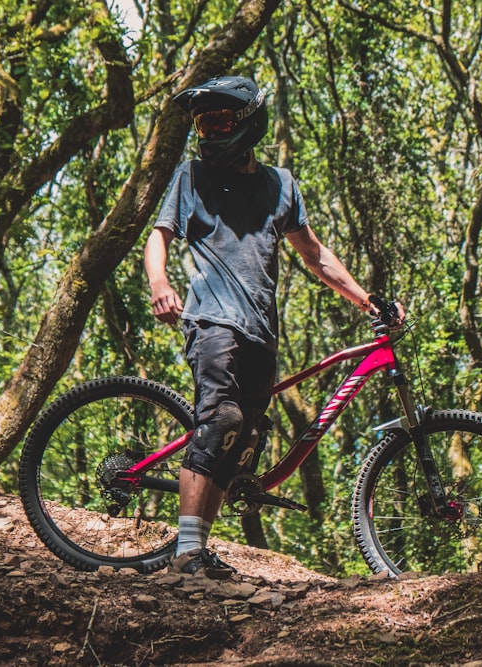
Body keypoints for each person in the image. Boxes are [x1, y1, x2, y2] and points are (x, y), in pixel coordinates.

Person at [144, 75, 397, 579]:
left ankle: (198, 549)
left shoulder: (280, 185)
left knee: (242, 439)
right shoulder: (191, 176)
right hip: (212, 319)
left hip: (262, 332)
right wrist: (159, 283)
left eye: (218, 120)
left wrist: (368, 301)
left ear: (246, 123)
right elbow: (159, 236)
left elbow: (316, 255)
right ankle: (186, 553)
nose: (208, 131)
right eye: (202, 122)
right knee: (221, 421)